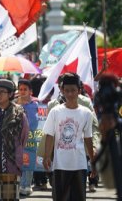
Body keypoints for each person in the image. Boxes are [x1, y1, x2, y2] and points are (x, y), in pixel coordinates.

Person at [43, 73, 96, 201]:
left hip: (79, 164)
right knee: (60, 197)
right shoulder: (55, 111)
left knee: (78, 197)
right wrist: (46, 156)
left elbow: (88, 138)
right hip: (60, 164)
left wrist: (93, 161)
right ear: (62, 90)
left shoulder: (86, 113)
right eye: (67, 91)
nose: (70, 94)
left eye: (73, 90)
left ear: (79, 90)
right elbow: (50, 135)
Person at [16, 79, 39, 196]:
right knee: (18, 161)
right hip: (17, 138)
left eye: (25, 89)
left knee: (29, 161)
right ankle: (19, 185)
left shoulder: (36, 104)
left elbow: (35, 122)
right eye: (20, 89)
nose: (22, 91)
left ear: (31, 91)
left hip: (31, 138)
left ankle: (27, 185)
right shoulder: (14, 104)